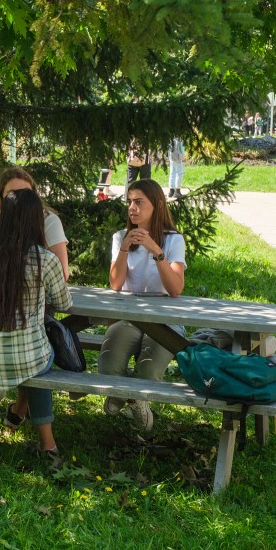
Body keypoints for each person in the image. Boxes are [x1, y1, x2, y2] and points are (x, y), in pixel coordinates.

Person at [0, 189, 72, 459]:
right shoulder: (44, 258)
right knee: (37, 364)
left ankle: (17, 412)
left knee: (30, 359)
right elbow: (64, 303)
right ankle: (48, 444)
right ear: (35, 220)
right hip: (28, 359)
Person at [99, 179, 186, 430]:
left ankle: (136, 398)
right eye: (129, 202)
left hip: (165, 319)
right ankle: (130, 395)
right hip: (129, 317)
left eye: (138, 202)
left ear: (156, 205)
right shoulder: (120, 237)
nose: (132, 208)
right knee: (108, 366)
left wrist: (156, 251)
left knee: (149, 372)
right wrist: (125, 249)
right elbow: (116, 284)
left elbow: (175, 288)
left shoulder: (173, 240)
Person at [0, 167, 69, 280]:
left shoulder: (49, 221)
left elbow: (62, 274)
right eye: (13, 194)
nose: (21, 199)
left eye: (27, 193)